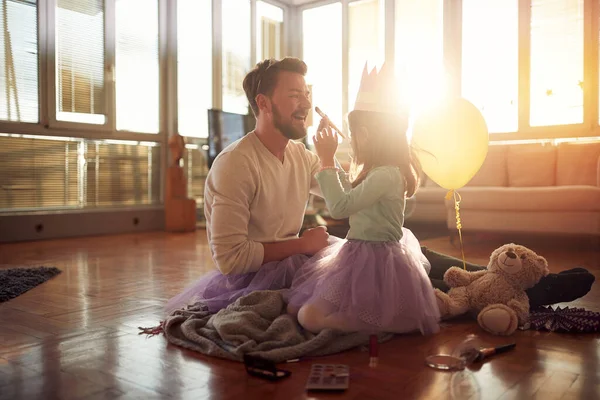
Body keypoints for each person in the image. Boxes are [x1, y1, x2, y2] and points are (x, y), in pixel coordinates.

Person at [164, 57, 595, 317]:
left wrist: (361, 138)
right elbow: (231, 259)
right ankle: (509, 291)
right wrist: (301, 245)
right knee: (396, 272)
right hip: (261, 275)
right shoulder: (233, 165)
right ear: (263, 104)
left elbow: (350, 185)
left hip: (305, 251)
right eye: (294, 94)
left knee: (406, 251)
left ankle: (515, 281)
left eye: (307, 93)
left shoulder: (299, 155)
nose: (307, 102)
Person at [285, 62, 441, 335]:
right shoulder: (379, 171)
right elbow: (350, 195)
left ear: (366, 135)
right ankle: (373, 318)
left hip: (376, 261)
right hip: (356, 254)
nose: (352, 141)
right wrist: (330, 158)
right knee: (299, 310)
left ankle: (380, 323)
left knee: (309, 316)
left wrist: (324, 159)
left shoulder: (387, 175)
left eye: (354, 135)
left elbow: (340, 206)